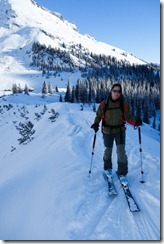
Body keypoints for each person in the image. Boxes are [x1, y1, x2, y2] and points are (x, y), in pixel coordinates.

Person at [91, 83, 142, 179]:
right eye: (115, 91)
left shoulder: (124, 104)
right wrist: (96, 124)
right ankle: (108, 169)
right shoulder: (104, 104)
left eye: (119, 91)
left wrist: (135, 122)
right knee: (108, 150)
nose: (116, 93)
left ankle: (122, 173)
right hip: (107, 131)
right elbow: (98, 116)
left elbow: (128, 117)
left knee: (121, 152)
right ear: (111, 91)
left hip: (120, 131)